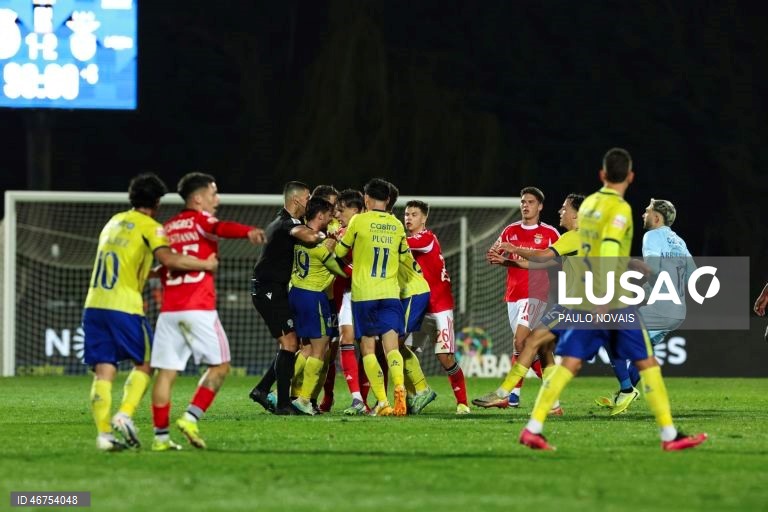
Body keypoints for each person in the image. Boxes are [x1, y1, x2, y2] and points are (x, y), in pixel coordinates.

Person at [518, 147, 708, 451]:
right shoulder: (619, 210)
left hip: (586, 290)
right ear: (630, 177)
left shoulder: (590, 203)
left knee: (570, 363)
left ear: (602, 175)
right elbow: (607, 248)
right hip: (609, 296)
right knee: (646, 361)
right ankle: (669, 435)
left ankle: (534, 427)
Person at [82, 173, 218, 451]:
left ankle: (104, 435)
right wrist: (204, 264)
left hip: (94, 305)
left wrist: (157, 272)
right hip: (125, 307)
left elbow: (132, 265)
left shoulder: (113, 222)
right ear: (157, 202)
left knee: (104, 370)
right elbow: (167, 258)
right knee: (145, 363)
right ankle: (125, 414)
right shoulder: (152, 227)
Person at [149, 172, 265, 451]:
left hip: (169, 311)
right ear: (198, 198)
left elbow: (165, 262)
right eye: (214, 194)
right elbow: (221, 227)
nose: (218, 199)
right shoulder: (200, 220)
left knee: (165, 373)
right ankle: (190, 417)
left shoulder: (167, 227)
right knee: (221, 366)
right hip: (198, 308)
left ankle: (160, 438)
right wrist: (247, 231)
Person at [489, 193, 585, 416]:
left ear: (576, 214)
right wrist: (507, 261)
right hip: (573, 304)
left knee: (529, 342)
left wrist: (513, 249)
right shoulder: (580, 238)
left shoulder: (574, 236)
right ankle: (553, 405)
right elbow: (544, 263)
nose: (561, 211)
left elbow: (542, 256)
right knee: (543, 349)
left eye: (564, 207)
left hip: (573, 306)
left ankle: (505, 393)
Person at [595, 198, 695, 412]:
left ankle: (627, 389)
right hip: (678, 310)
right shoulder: (679, 241)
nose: (643, 214)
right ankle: (624, 394)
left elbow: (652, 268)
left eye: (647, 211)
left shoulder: (652, 235)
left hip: (661, 308)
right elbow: (693, 274)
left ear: (657, 217)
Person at [472, 186, 560, 409]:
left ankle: (513, 395)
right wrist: (495, 255)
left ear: (539, 206)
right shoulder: (510, 230)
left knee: (520, 341)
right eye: (523, 201)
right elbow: (494, 252)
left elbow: (555, 262)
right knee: (526, 348)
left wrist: (514, 251)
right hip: (513, 294)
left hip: (537, 295)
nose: (525, 205)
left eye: (530, 202)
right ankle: (522, 398)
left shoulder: (550, 233)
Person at [249, 181, 327, 415]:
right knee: (290, 344)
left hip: (273, 289)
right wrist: (324, 235)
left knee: (290, 345)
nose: (309, 201)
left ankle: (263, 390)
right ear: (296, 200)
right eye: (307, 197)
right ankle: (283, 403)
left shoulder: (279, 220)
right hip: (268, 290)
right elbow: (307, 236)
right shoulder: (288, 223)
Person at [335, 178, 411, 416]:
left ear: (366, 199)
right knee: (392, 349)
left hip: (364, 294)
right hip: (390, 293)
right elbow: (405, 259)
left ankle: (382, 402)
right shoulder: (397, 224)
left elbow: (339, 251)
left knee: (368, 349)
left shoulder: (359, 220)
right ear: (387, 200)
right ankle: (400, 388)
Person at [404, 200, 470, 414]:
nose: (408, 218)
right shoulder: (407, 243)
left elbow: (402, 245)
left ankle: (462, 403)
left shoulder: (426, 238)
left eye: (414, 214)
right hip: (417, 305)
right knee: (403, 351)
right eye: (406, 214)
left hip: (439, 307)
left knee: (445, 357)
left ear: (424, 218)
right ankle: (411, 398)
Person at [288, 196, 347, 415]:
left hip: (296, 293)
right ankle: (304, 400)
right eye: (329, 215)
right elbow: (339, 270)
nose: (332, 218)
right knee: (320, 351)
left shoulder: (301, 236)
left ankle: (290, 394)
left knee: (306, 349)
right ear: (320, 215)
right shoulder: (321, 243)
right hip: (314, 297)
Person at [331, 189, 369, 415]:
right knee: (346, 339)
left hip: (370, 293)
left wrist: (333, 260)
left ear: (355, 210)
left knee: (371, 348)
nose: (337, 214)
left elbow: (355, 269)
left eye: (341, 210)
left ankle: (379, 399)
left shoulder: (364, 229)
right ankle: (356, 399)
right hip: (348, 293)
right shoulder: (341, 231)